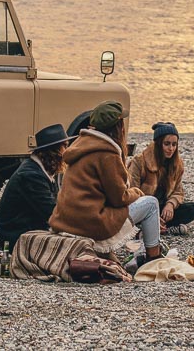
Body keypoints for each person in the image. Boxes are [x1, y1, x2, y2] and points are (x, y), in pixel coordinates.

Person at [49, 101, 164, 260]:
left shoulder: (80, 146)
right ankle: (154, 258)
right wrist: (137, 192)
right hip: (90, 223)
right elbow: (119, 198)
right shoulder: (107, 154)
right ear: (118, 127)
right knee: (151, 203)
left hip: (65, 221)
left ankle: (111, 255)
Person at [0, 123, 73, 252]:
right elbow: (52, 212)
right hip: (15, 237)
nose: (68, 150)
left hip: (27, 230)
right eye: (65, 146)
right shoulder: (31, 175)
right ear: (54, 151)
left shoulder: (38, 170)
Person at [128, 121, 194, 234]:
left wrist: (170, 204)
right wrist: (150, 215)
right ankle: (159, 228)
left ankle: (158, 227)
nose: (171, 148)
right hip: (142, 207)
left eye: (174, 144)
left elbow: (178, 192)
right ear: (158, 144)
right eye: (167, 144)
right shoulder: (139, 162)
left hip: (162, 208)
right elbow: (132, 194)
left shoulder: (177, 164)